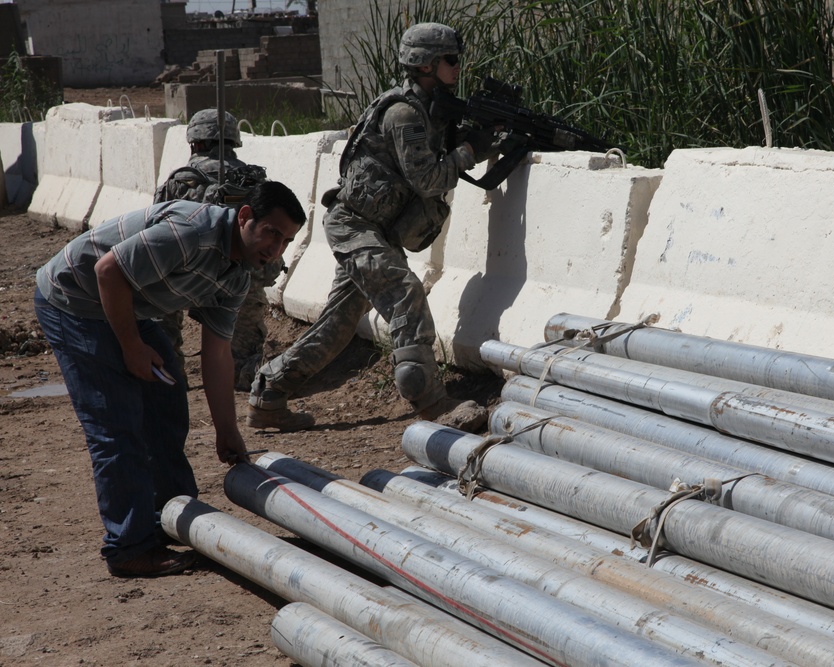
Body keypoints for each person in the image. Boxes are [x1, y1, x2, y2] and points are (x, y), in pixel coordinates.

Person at [34, 182, 307, 578]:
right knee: (116, 426)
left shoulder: (236, 275)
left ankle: (171, 515)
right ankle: (129, 547)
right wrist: (130, 346)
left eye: (287, 240)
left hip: (126, 303)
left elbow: (216, 355)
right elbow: (107, 270)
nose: (275, 248)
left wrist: (227, 430)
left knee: (167, 399)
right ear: (245, 217)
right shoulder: (193, 233)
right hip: (74, 298)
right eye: (272, 232)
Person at [246, 21, 504, 433]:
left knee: (338, 325)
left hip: (375, 229)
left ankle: (269, 391)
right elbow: (429, 179)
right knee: (405, 292)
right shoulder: (404, 113)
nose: (458, 68)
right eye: (450, 61)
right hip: (355, 225)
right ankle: (432, 403)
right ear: (426, 64)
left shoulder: (432, 108)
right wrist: (469, 151)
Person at [154, 108, 280, 391]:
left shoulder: (178, 181)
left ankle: (170, 375)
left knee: (159, 311)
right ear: (233, 142)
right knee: (245, 349)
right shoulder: (255, 181)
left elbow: (155, 234)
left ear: (195, 143)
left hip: (185, 281)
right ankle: (246, 376)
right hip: (240, 282)